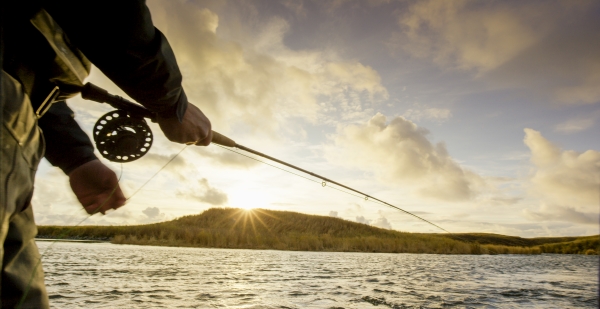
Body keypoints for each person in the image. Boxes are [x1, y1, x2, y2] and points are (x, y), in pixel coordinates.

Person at [1, 1, 212, 307]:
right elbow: (109, 12)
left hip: (21, 119)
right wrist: (171, 103)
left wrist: (78, 159)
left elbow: (33, 89)